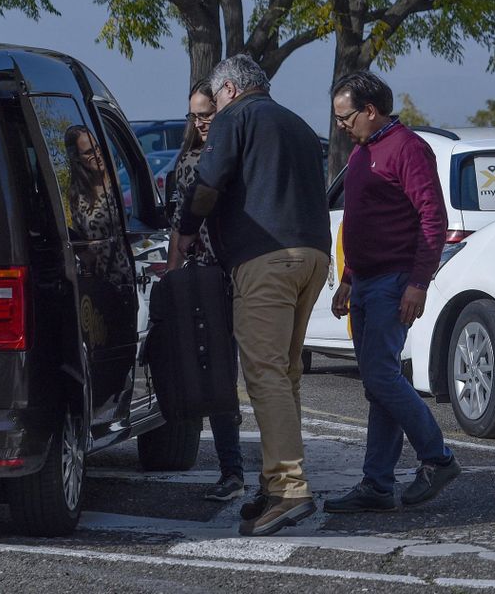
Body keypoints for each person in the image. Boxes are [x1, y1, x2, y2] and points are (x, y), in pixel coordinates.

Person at [171, 55, 332, 537]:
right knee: (284, 372)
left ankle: (288, 488)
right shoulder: (298, 124)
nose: (213, 110)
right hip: (313, 257)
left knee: (262, 372)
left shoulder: (235, 118)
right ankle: (274, 479)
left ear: (231, 90)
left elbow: (207, 184)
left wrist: (184, 233)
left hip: (265, 260)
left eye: (216, 98)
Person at [323, 71, 461, 514]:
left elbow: (431, 219)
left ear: (370, 110)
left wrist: (419, 282)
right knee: (379, 385)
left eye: (346, 117)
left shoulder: (407, 148)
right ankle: (377, 484)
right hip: (365, 281)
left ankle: (438, 459)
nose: (342, 126)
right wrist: (348, 278)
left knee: (381, 376)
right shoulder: (363, 152)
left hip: (394, 282)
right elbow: (364, 222)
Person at [164, 80, 246, 503]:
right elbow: (181, 226)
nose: (201, 123)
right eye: (195, 115)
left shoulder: (236, 154)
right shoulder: (188, 163)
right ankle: (232, 469)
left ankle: (254, 470)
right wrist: (173, 277)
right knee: (218, 375)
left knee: (255, 374)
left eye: (207, 114)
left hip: (241, 273)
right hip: (207, 278)